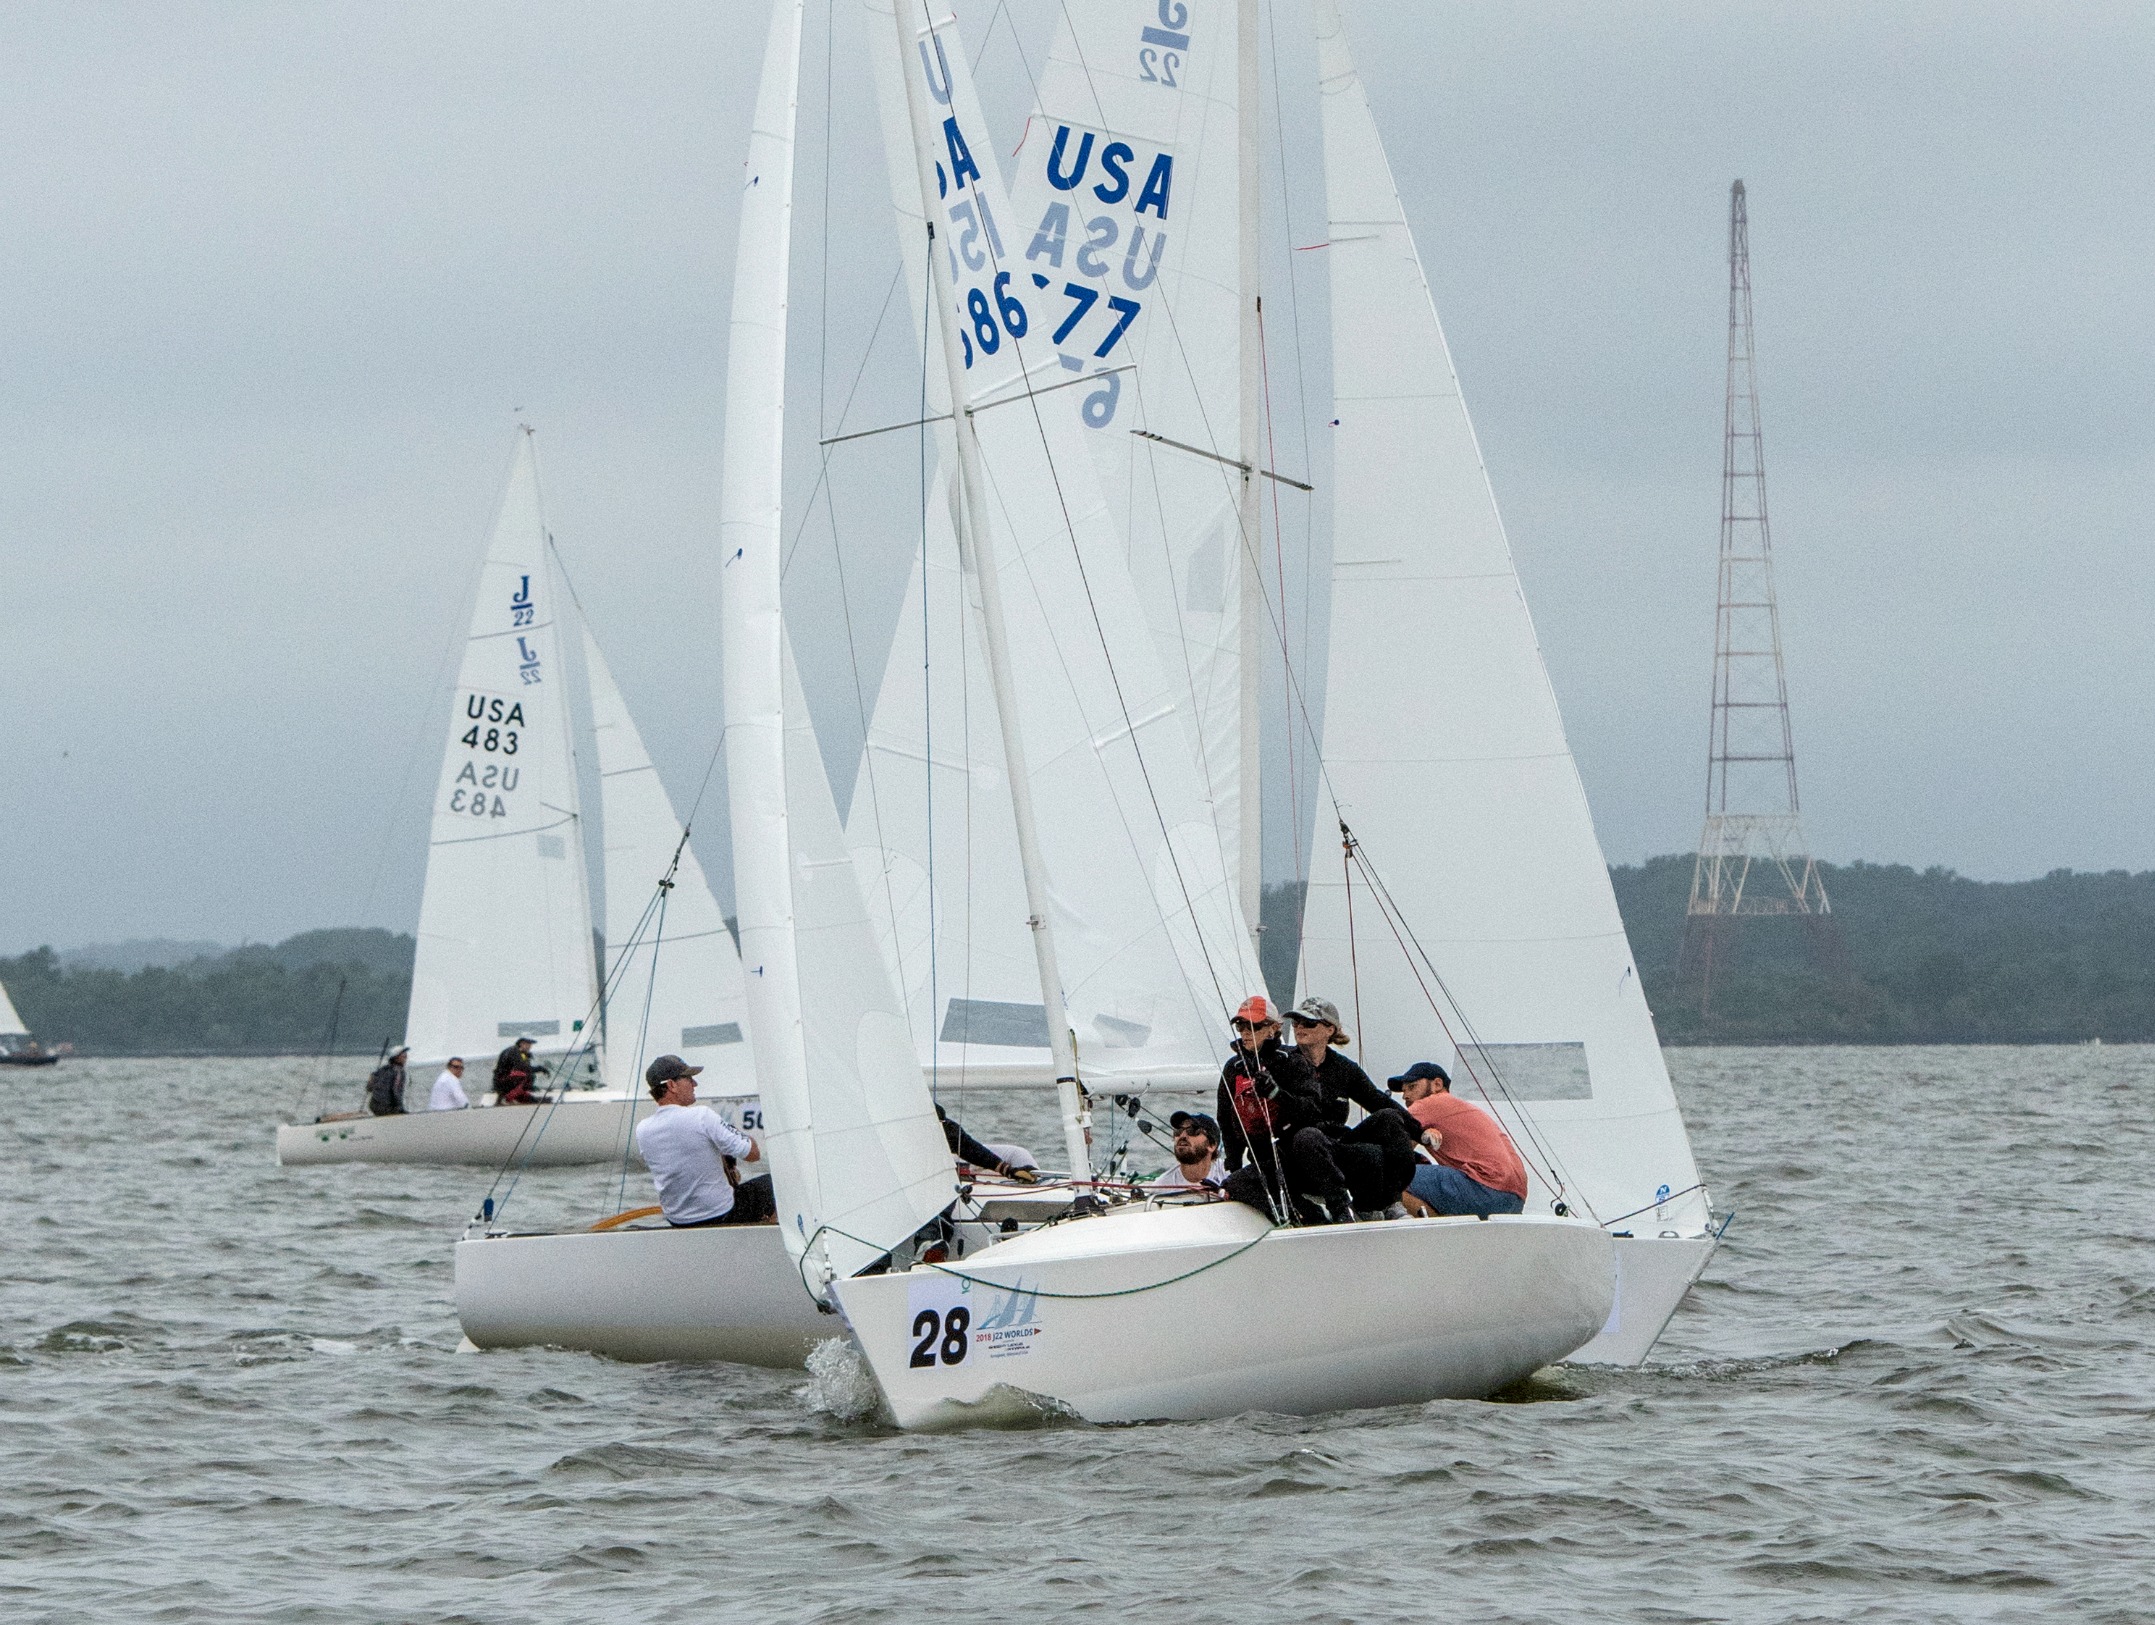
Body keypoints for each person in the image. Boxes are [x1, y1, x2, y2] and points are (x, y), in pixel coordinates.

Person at [1214, 995, 1353, 1224]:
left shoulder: (1292, 1061)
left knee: (1298, 1149)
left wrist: (1276, 1093)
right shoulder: (1234, 1068)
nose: (1245, 1032)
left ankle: (1339, 1211)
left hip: (1295, 1156)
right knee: (1235, 1184)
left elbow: (1311, 1111)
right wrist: (1234, 1164)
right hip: (1263, 1160)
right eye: (1241, 1026)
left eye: (1254, 1026)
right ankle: (1311, 1218)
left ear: (1273, 1029)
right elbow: (1226, 1120)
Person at [1285, 997, 1420, 1215]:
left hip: (1335, 1144)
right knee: (1309, 1136)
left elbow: (1377, 1100)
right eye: (1296, 1023)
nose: (1300, 1027)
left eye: (1308, 1023)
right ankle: (1341, 1212)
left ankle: (1389, 1203)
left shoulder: (1343, 1068)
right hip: (1298, 1149)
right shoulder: (1284, 1061)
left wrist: (1420, 1132)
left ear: (1329, 1029)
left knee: (1388, 1118)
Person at [633, 1054, 775, 1226]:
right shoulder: (701, 1116)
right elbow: (753, 1154)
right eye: (689, 1079)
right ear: (672, 1085)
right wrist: (736, 1134)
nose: (695, 1084)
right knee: (775, 1183)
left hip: (677, 1220)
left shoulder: (642, 1130)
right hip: (720, 1214)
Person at [1389, 1061, 1529, 1218]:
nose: (1405, 1096)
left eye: (1412, 1087)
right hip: (1515, 1199)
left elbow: (1393, 1144)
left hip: (1483, 1188)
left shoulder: (1430, 1103)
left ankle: (1437, 1234)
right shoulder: (1461, 1107)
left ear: (1437, 1084)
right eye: (1403, 1091)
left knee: (1389, 1176)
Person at [935, 1105, 1040, 1182]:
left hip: (948, 1156)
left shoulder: (935, 1114)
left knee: (1018, 1153)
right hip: (930, 1177)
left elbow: (963, 1144)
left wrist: (1007, 1170)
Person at [1147, 1110, 1227, 1193]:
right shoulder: (1160, 1188)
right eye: (1178, 1131)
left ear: (1211, 1145)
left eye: (1192, 1131)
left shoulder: (1230, 1174)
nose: (1182, 1136)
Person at [491, 1036, 551, 1105]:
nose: (530, 1046)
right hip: (503, 1084)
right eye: (528, 1044)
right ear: (521, 1044)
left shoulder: (522, 1054)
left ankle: (516, 1096)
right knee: (528, 1076)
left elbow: (524, 1067)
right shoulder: (513, 1051)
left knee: (533, 1100)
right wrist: (540, 1068)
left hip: (509, 1084)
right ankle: (506, 1098)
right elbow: (523, 1068)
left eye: (530, 1044)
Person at [365, 1046, 409, 1116]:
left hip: (373, 1105)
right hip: (387, 1107)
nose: (406, 1057)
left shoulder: (382, 1069)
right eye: (403, 1055)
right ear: (396, 1058)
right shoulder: (399, 1072)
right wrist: (400, 1109)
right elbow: (395, 1091)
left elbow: (369, 1088)